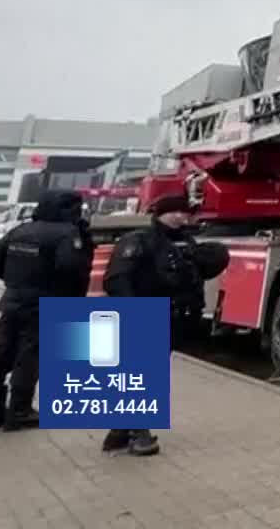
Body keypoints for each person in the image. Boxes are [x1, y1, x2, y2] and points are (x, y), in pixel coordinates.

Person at [0, 190, 94, 431]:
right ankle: (19, 411)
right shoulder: (67, 233)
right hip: (45, 304)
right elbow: (71, 269)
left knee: (1, 353)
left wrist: (17, 282)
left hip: (12, 301)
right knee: (29, 356)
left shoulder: (20, 230)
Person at [100, 193, 206, 456]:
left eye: (185, 212)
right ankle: (140, 433)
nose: (183, 216)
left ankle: (120, 431)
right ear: (162, 213)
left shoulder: (183, 241)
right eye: (177, 212)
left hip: (171, 315)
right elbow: (116, 279)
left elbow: (191, 276)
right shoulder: (138, 240)